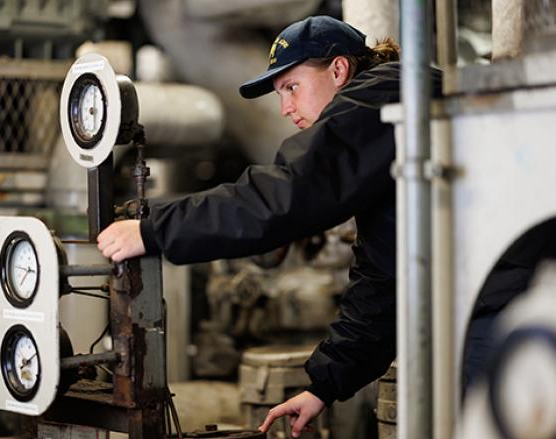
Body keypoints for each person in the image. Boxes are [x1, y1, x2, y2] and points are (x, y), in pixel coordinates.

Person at [97, 15, 544, 438]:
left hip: (512, 301)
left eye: (292, 87)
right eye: (279, 95)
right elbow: (382, 283)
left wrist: (154, 228)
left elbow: (288, 194)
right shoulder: (387, 128)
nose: (286, 108)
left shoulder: (383, 95)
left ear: (338, 69)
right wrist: (322, 386)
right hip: (493, 302)